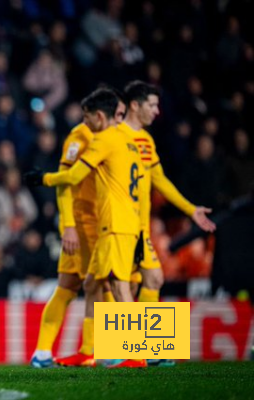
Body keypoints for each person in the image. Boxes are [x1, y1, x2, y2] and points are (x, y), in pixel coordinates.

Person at [25, 88, 147, 367]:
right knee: (88, 283)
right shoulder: (93, 136)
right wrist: (68, 225)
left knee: (123, 284)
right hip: (98, 225)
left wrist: (42, 179)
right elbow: (70, 182)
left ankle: (135, 352)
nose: (120, 118)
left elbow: (74, 176)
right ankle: (87, 350)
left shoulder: (111, 138)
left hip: (114, 224)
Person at [117, 80, 216, 367]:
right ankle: (121, 351)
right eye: (152, 105)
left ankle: (148, 349)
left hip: (139, 228)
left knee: (153, 279)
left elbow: (159, 179)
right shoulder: (114, 137)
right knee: (117, 286)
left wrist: (190, 209)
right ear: (134, 106)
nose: (157, 111)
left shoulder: (146, 140)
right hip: (118, 226)